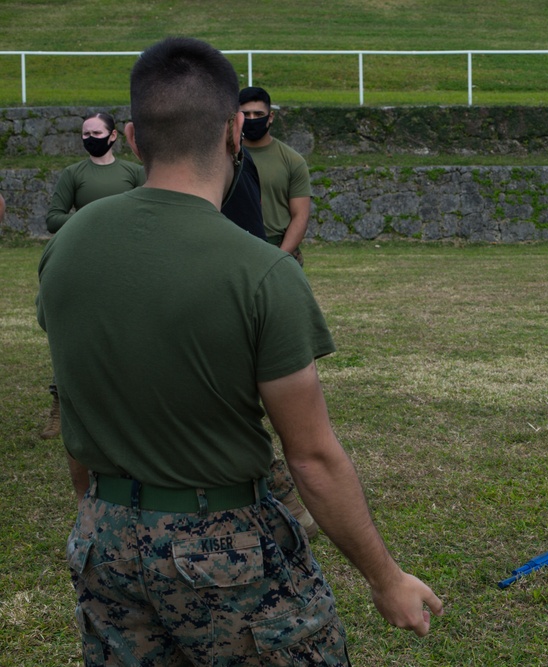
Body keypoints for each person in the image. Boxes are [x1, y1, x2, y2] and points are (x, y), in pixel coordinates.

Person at [37, 37, 442, 666]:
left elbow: (77, 400)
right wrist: (386, 580)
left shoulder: (66, 248)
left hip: (102, 536)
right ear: (234, 130)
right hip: (221, 549)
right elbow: (311, 457)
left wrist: (101, 518)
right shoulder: (263, 273)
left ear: (134, 137)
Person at [41, 112, 145, 440]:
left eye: (96, 132)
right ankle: (61, 406)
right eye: (85, 133)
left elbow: (149, 210)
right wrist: (91, 220)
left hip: (127, 264)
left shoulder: (134, 173)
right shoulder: (73, 174)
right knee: (75, 332)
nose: (90, 138)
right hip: (84, 262)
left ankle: (126, 407)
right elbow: (54, 218)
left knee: (127, 333)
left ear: (113, 136)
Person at [238, 85, 312, 265]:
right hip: (235, 249)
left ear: (270, 117)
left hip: (278, 249)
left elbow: (300, 216)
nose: (252, 119)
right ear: (236, 118)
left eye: (258, 114)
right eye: (246, 115)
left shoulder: (292, 161)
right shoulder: (221, 158)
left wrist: (279, 258)